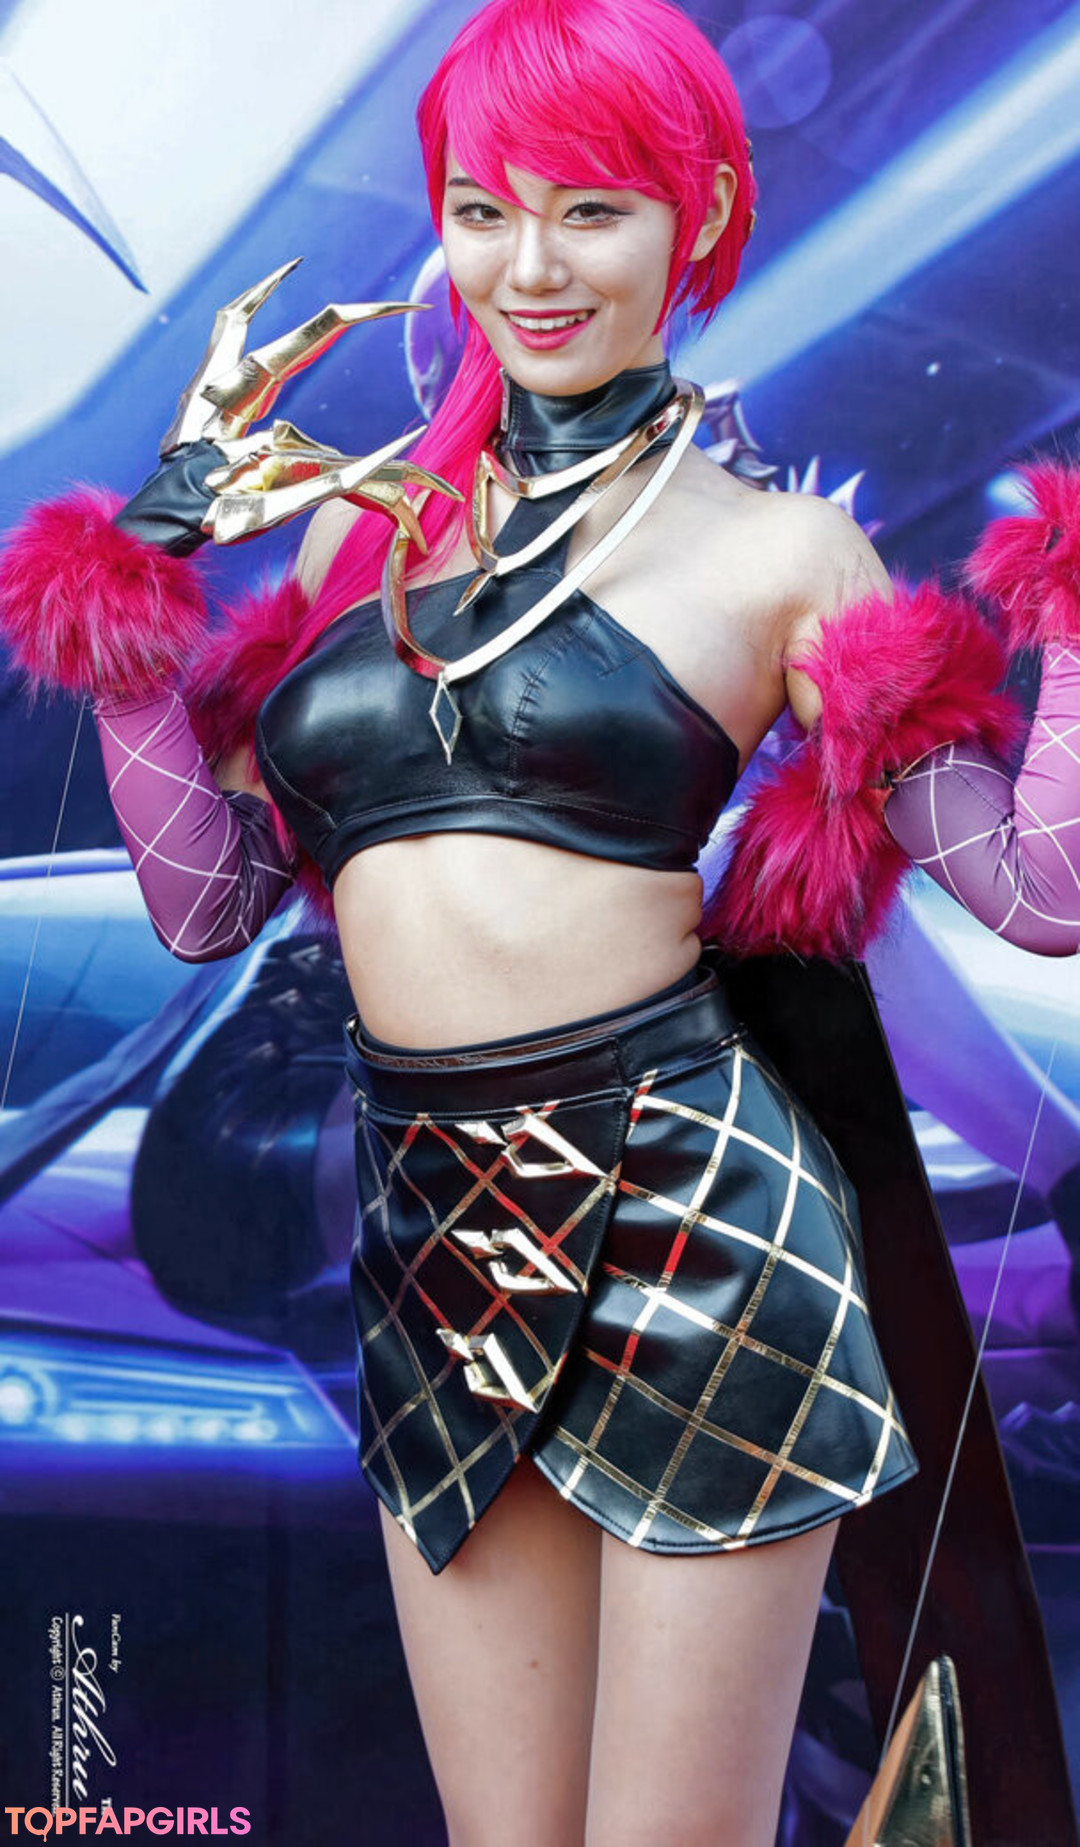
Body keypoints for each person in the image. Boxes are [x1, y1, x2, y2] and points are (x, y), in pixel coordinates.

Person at [1, 1, 1078, 1841]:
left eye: (592, 210)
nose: (533, 266)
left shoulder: (779, 553)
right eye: (485, 211)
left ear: (699, 215)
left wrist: (1067, 605)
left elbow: (1035, 893)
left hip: (695, 1228)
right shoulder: (354, 544)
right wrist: (132, 603)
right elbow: (206, 904)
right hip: (432, 1233)